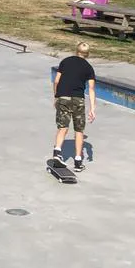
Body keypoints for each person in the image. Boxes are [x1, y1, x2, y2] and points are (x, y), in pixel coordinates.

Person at [52, 42, 97, 172]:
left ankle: (57, 153)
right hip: (78, 100)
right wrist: (92, 109)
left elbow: (56, 81)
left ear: (75, 51)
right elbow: (92, 89)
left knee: (63, 127)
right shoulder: (89, 67)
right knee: (79, 130)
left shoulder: (65, 61)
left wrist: (56, 97)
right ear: (87, 54)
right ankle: (78, 162)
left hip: (63, 97)